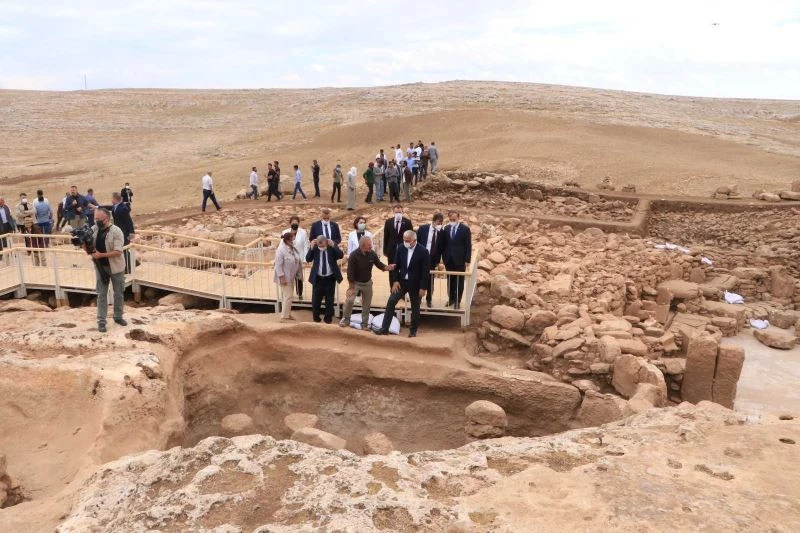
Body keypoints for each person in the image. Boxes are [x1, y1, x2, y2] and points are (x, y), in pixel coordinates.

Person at [374, 230, 430, 338]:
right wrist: (395, 281)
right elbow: (396, 266)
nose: (405, 242)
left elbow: (425, 272)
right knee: (391, 301)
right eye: (404, 240)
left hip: (416, 284)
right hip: (401, 282)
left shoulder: (423, 251)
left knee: (415, 307)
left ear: (414, 240)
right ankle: (384, 329)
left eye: (408, 241)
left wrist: (423, 288)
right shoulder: (401, 248)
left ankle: (413, 331)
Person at [341, 235, 394, 329]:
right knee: (349, 301)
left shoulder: (372, 254)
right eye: (369, 245)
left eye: (371, 244)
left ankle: (364, 324)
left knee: (366, 305)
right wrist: (351, 287)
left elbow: (379, 264)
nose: (371, 246)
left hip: (367, 283)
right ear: (362, 245)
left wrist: (387, 267)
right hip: (355, 283)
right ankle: (346, 320)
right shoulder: (353, 255)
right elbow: (350, 273)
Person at [89, 208, 127, 333]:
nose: (97, 221)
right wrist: (82, 242)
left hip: (116, 268)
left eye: (99, 219)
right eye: (95, 219)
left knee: (118, 293)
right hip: (101, 268)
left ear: (107, 219)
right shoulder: (94, 229)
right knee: (101, 294)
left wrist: (101, 255)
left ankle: (118, 316)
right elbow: (89, 248)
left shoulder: (116, 231)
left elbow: (118, 252)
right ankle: (101, 321)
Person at [305, 235, 343, 323]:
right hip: (318, 279)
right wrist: (311, 248)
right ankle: (316, 318)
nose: (321, 248)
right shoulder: (315, 248)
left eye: (322, 246)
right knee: (316, 300)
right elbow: (308, 259)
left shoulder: (331, 247)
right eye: (319, 246)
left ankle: (328, 319)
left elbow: (341, 255)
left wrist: (334, 246)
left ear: (326, 242)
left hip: (330, 279)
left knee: (329, 300)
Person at [441, 210, 472, 309]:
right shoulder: (446, 228)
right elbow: (443, 244)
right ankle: (451, 299)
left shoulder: (465, 229)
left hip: (460, 259)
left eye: (454, 219)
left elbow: (468, 245)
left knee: (459, 280)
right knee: (450, 279)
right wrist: (443, 257)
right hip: (448, 258)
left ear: (458, 218)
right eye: (451, 219)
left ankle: (457, 300)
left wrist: (467, 259)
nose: (452, 221)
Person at [274, 230, 304, 321]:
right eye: (292, 240)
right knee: (288, 296)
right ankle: (284, 316)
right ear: (287, 240)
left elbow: (296, 259)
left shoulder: (292, 248)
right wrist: (281, 277)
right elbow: (278, 265)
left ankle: (287, 314)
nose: (293, 241)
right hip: (284, 277)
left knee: (287, 296)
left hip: (291, 276)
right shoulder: (280, 250)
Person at [416, 212, 445, 307]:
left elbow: (441, 247)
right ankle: (418, 298)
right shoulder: (423, 228)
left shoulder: (441, 232)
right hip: (421, 257)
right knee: (419, 278)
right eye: (438, 222)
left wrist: (438, 261)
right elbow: (417, 242)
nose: (440, 224)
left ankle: (429, 299)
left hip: (432, 258)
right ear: (433, 221)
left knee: (430, 279)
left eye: (441, 223)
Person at [382, 204, 413, 288]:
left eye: (399, 212)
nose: (398, 214)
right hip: (391, 250)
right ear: (393, 212)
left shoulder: (407, 222)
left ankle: (402, 289)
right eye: (396, 212)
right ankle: (392, 288)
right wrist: (385, 251)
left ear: (402, 212)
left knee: (403, 269)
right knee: (392, 270)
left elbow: (411, 236)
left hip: (404, 250)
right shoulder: (388, 222)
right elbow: (386, 237)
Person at [286, 215, 309, 300]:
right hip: (288, 258)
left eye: (296, 223)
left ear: (299, 223)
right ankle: (288, 294)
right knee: (289, 277)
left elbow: (306, 246)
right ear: (290, 223)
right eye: (293, 223)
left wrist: (305, 259)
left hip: (299, 258)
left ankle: (300, 294)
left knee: (299, 277)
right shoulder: (285, 232)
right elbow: (282, 245)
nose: (294, 224)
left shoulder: (303, 232)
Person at [111, 192, 136, 273]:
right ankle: (132, 264)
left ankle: (129, 268)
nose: (111, 200)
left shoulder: (123, 208)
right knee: (123, 250)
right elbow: (109, 207)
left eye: (112, 198)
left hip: (124, 233)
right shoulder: (116, 206)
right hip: (119, 233)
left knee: (124, 250)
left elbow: (129, 221)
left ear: (115, 199)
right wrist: (97, 207)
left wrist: (131, 233)